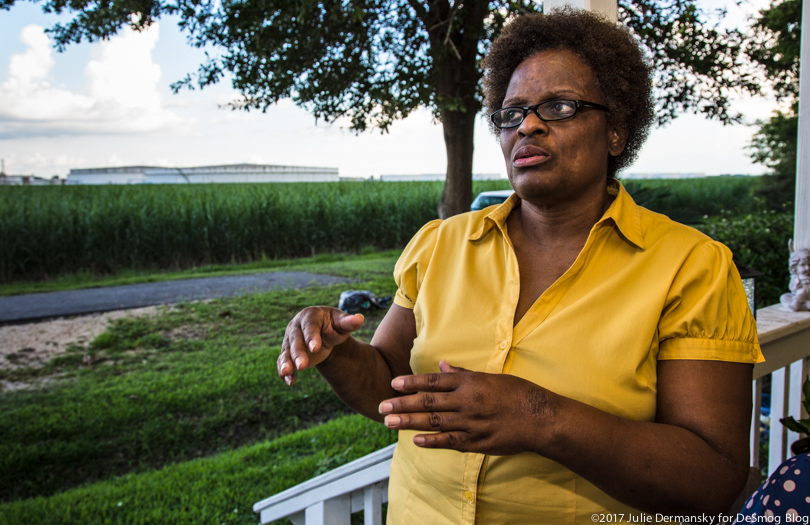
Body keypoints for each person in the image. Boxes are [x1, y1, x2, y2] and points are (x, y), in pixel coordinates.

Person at [277, 8, 764, 524]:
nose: (527, 125)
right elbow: (391, 386)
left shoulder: (691, 267)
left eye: (559, 106)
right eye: (511, 114)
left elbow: (713, 478)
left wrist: (540, 417)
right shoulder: (439, 245)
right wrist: (334, 351)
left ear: (617, 131)